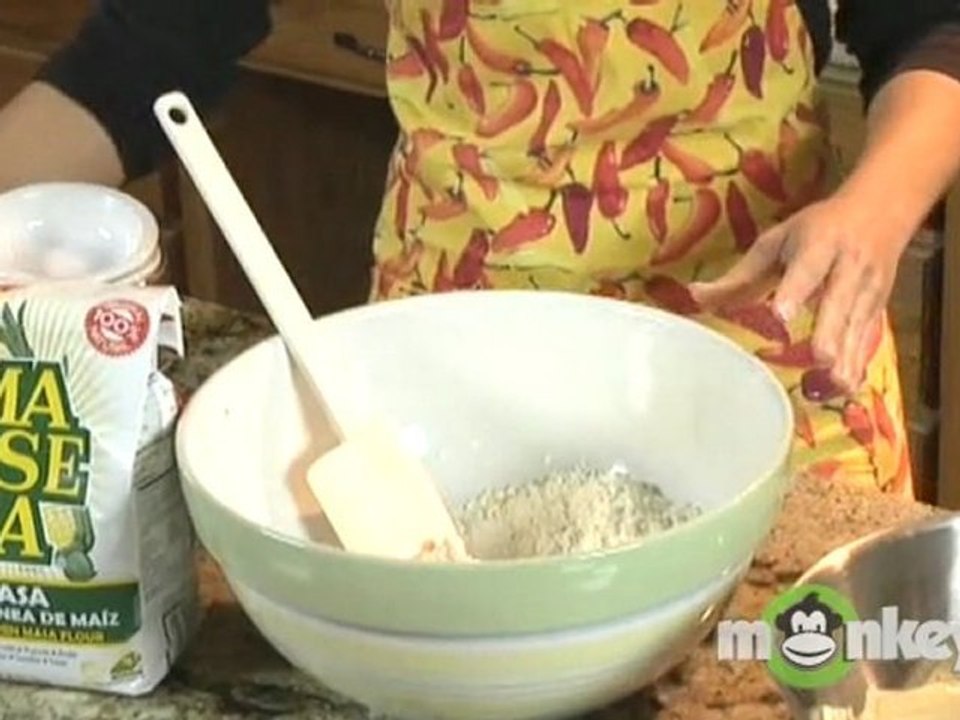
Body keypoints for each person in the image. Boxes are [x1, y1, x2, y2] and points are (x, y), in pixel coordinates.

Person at [2, 0, 959, 498]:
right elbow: (153, 49)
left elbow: (930, 26)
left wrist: (872, 214)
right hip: (456, 363)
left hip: (764, 341)